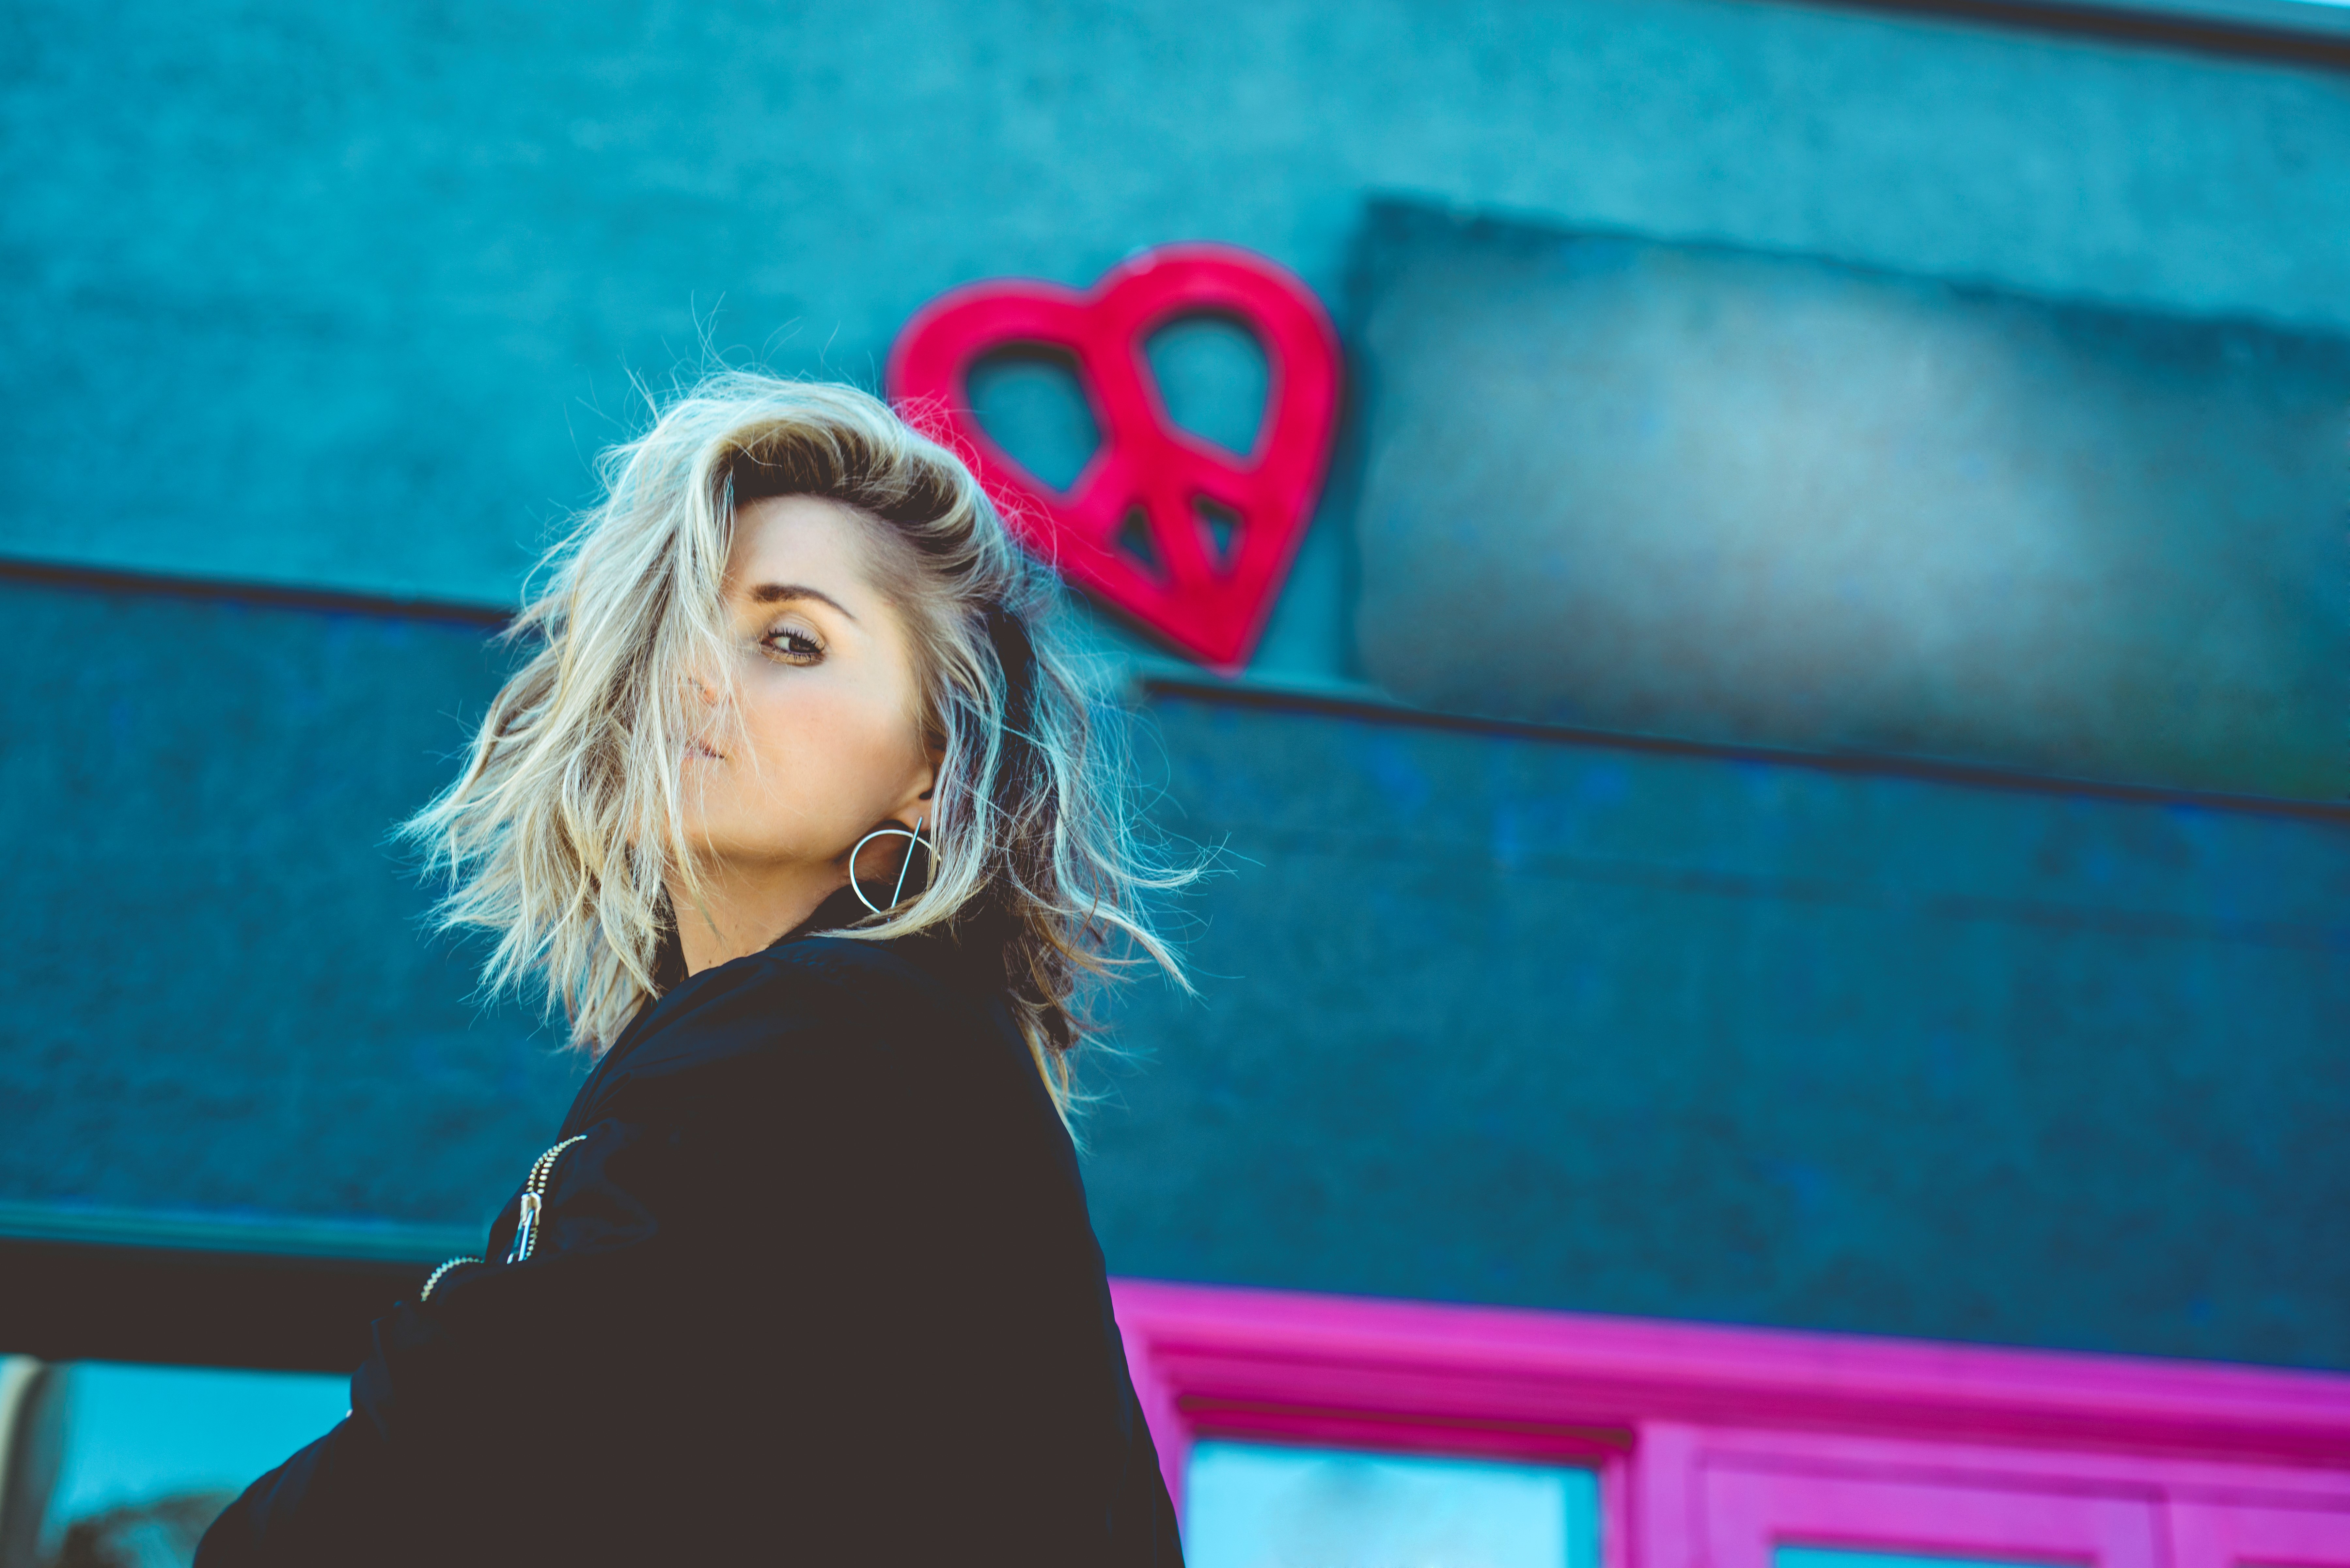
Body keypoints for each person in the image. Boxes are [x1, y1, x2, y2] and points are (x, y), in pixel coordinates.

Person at [196, 374, 1193, 1565]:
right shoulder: (884, 1053)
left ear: (932, 766)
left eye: (791, 640)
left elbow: (451, 1465)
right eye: (676, 631)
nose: (696, 676)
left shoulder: (839, 1030)